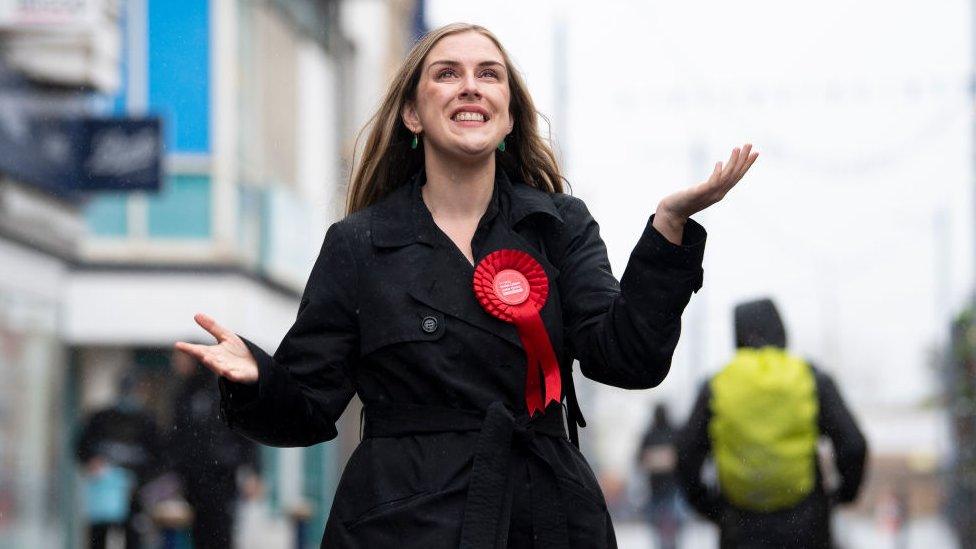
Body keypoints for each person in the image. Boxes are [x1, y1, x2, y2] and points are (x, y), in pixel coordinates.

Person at [175, 22, 758, 547]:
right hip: (400, 523)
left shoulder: (558, 226)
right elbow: (305, 409)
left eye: (489, 74)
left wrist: (668, 230)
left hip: (544, 516)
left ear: (508, 114)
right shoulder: (359, 243)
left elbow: (628, 359)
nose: (471, 86)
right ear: (412, 113)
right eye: (447, 73)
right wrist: (257, 375)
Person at [675, 298, 868, 548]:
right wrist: (842, 496)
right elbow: (853, 444)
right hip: (806, 525)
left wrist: (711, 508)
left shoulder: (717, 385)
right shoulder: (810, 379)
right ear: (781, 331)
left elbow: (685, 454)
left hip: (740, 527)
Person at [166, 350, 261, 549]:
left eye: (182, 360)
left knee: (221, 530)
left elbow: (245, 435)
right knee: (200, 532)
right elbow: (177, 438)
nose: (177, 365)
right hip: (194, 478)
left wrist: (253, 471)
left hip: (221, 475)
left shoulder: (220, 391)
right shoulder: (183, 395)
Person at [76, 371, 161, 549]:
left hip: (133, 492)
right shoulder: (101, 418)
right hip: (104, 491)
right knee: (98, 537)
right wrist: (92, 461)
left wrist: (140, 480)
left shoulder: (147, 421)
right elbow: (81, 447)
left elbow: (159, 457)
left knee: (132, 537)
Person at [637, 404, 683, 549]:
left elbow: (640, 458)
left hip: (665, 488)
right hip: (667, 487)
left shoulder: (651, 435)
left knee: (665, 524)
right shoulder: (674, 433)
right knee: (667, 524)